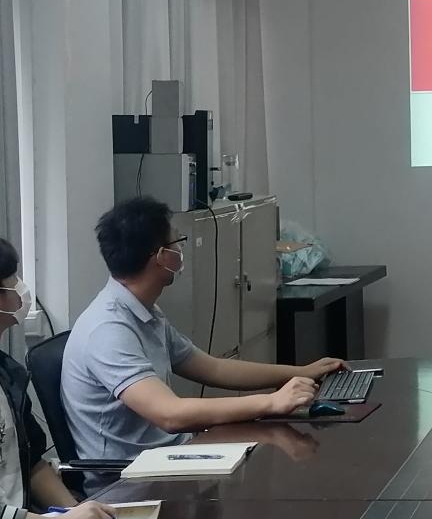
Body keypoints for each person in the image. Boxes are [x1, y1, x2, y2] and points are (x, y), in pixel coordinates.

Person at [62, 198, 346, 476]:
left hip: (172, 458)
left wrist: (301, 372)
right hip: (130, 480)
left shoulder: (144, 312)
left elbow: (214, 368)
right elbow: (170, 414)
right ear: (161, 257)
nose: (181, 249)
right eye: (177, 242)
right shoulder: (107, 331)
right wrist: (271, 402)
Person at [0, 240, 115, 519]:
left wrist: (75, 511)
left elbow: (33, 464)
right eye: (12, 277)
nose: (21, 286)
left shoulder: (7, 375)